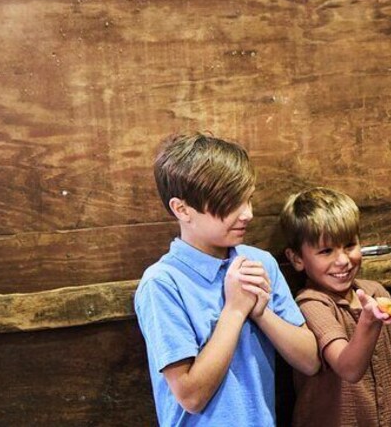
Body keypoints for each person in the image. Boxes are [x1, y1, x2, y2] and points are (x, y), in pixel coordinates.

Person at [134, 133, 320, 426]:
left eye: (248, 199)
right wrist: (235, 309)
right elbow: (191, 397)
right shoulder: (162, 283)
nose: (248, 213)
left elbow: (309, 361)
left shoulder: (260, 263)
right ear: (182, 209)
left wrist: (260, 311)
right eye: (231, 202)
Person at [281, 187, 391, 427]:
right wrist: (370, 321)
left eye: (349, 245)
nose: (343, 261)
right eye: (326, 251)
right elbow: (348, 368)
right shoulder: (311, 304)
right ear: (297, 259)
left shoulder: (375, 293)